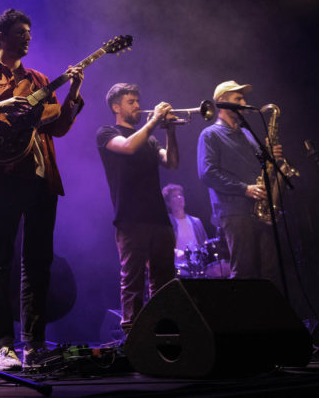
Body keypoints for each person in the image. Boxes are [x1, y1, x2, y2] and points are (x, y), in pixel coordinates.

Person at [0, 9, 84, 371]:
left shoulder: (40, 79)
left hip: (42, 176)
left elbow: (57, 128)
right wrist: (1, 104)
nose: (27, 37)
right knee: (0, 260)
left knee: (39, 262)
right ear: (1, 35)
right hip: (2, 174)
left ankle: (35, 344)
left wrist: (74, 91)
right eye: (19, 32)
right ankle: (1, 345)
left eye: (29, 32)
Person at [95, 83, 180, 335]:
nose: (137, 106)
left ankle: (164, 331)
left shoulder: (150, 140)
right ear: (116, 106)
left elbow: (172, 163)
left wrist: (171, 131)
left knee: (165, 281)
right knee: (132, 282)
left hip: (159, 218)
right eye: (131, 102)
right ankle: (134, 337)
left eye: (137, 101)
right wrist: (154, 121)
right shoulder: (107, 133)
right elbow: (128, 147)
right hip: (130, 217)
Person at [196, 80, 283, 282]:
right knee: (244, 272)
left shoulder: (246, 133)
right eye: (238, 98)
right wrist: (245, 189)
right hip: (235, 213)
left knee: (270, 272)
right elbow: (207, 173)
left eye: (243, 97)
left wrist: (271, 158)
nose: (244, 102)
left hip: (260, 210)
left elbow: (260, 168)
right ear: (223, 103)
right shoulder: (210, 134)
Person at [162, 183, 209, 276]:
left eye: (180, 195)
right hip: (177, 268)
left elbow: (205, 243)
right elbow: (162, 245)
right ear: (168, 203)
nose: (179, 198)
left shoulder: (196, 221)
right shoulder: (167, 222)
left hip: (198, 266)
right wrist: (175, 251)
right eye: (174, 196)